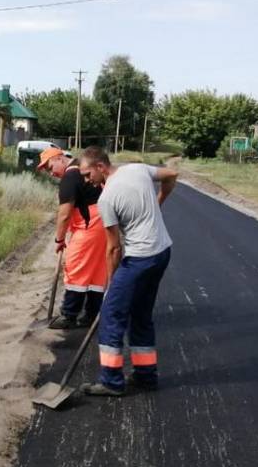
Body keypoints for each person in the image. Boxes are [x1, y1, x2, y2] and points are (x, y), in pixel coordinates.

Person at [76, 146, 178, 396]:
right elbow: (172, 174)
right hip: (162, 252)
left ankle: (111, 382)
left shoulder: (107, 199)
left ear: (101, 167)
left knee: (111, 314)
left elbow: (113, 248)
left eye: (88, 174)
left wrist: (111, 284)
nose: (87, 180)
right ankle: (145, 376)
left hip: (140, 258)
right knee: (141, 314)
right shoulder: (137, 169)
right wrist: (159, 200)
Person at [37, 147, 107, 329]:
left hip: (88, 228)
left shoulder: (70, 176)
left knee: (76, 268)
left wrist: (59, 239)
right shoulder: (82, 170)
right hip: (104, 226)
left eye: (49, 166)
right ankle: (91, 315)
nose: (49, 172)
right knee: (96, 272)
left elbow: (65, 214)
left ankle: (69, 315)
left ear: (60, 158)